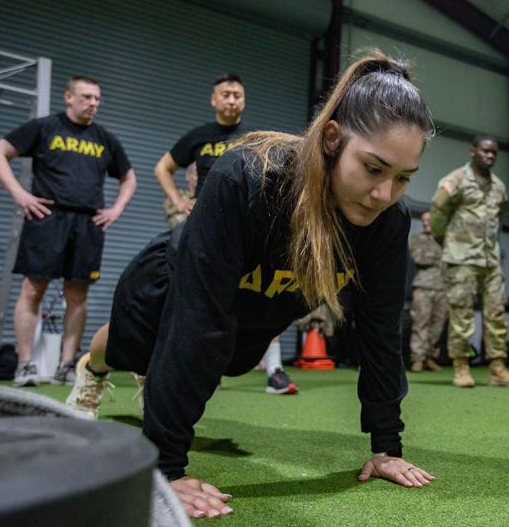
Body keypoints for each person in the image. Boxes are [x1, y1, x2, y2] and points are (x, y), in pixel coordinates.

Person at [64, 52, 436, 519]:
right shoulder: (246, 178)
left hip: (256, 306)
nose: (385, 194)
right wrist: (166, 467)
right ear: (332, 139)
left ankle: (157, 375)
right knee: (131, 348)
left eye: (403, 179)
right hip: (174, 280)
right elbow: (197, 319)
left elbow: (379, 332)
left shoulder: (386, 224)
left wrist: (387, 447)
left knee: (227, 359)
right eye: (374, 168)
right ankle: (92, 369)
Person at [0, 75, 136, 387]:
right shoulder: (44, 127)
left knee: (77, 295)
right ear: (69, 97)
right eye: (87, 97)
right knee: (32, 289)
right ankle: (25, 365)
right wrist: (19, 194)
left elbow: (129, 178)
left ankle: (67, 366)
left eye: (97, 98)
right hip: (48, 218)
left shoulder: (105, 138)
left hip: (87, 223)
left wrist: (116, 210)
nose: (93, 103)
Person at [430, 136, 509, 388]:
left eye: (494, 152)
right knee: (461, 313)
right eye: (485, 151)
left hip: (490, 259)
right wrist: (446, 240)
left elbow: (500, 216)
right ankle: (461, 367)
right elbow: (437, 212)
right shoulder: (456, 180)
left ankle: (497, 368)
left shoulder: (499, 187)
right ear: (473, 151)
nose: (490, 156)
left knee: (496, 314)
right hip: (461, 258)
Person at [154, 73, 246, 216]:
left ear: (243, 101)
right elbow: (162, 168)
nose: (232, 101)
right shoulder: (198, 135)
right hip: (202, 216)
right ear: (213, 99)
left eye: (237, 96)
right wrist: (178, 202)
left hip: (240, 217)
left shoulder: (254, 137)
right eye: (226, 95)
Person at [408, 212, 446, 373]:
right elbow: (419, 259)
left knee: (438, 324)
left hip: (443, 287)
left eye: (429, 220)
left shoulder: (445, 239)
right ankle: (417, 358)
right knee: (420, 323)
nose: (425, 223)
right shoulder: (417, 239)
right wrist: (441, 257)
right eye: (423, 220)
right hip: (423, 286)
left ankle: (430, 357)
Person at [163, 163, 197, 229]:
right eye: (196, 174)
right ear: (188, 176)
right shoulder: (178, 197)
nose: (199, 178)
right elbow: (174, 222)